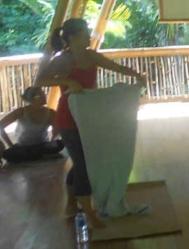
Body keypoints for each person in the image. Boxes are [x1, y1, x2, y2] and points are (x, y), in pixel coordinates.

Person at [35, 18, 146, 229]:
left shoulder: (91, 56)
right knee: (84, 164)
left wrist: (137, 76)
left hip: (88, 118)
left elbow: (114, 66)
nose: (89, 36)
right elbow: (40, 81)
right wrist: (67, 81)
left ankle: (70, 204)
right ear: (73, 37)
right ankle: (89, 214)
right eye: (85, 33)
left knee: (82, 161)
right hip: (68, 118)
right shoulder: (63, 60)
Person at [0, 86, 64, 163]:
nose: (44, 96)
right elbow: (0, 125)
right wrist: (10, 145)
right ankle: (42, 156)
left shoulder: (50, 113)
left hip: (42, 145)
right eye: (40, 95)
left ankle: (36, 156)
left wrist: (52, 141)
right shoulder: (21, 111)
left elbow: (57, 130)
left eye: (44, 94)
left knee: (61, 143)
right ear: (31, 99)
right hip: (23, 147)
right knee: (6, 154)